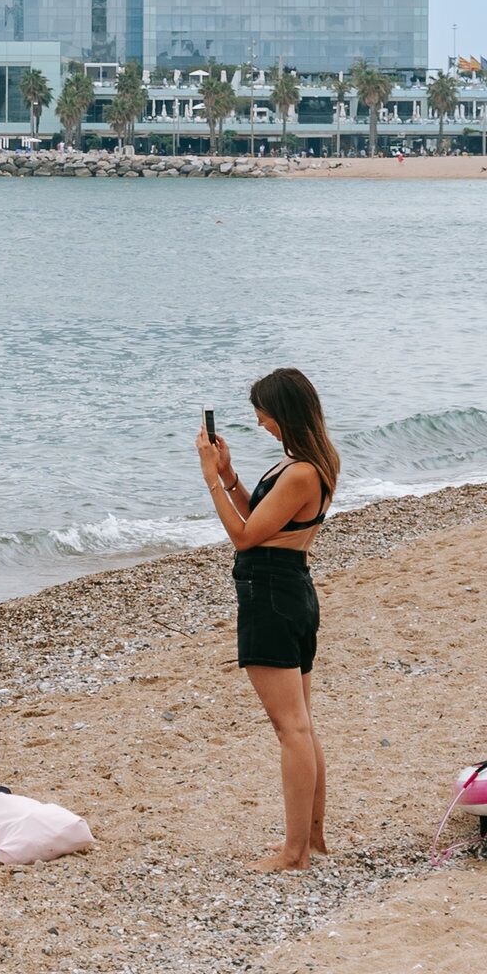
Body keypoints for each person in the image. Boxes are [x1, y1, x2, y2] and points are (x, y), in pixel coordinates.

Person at [199, 367, 339, 872]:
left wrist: (210, 478)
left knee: (292, 730)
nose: (258, 422)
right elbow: (261, 518)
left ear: (281, 411)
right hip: (290, 589)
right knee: (302, 725)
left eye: (261, 413)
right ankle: (313, 840)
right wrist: (231, 475)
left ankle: (295, 852)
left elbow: (243, 536)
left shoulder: (301, 471)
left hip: (273, 595)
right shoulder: (304, 465)